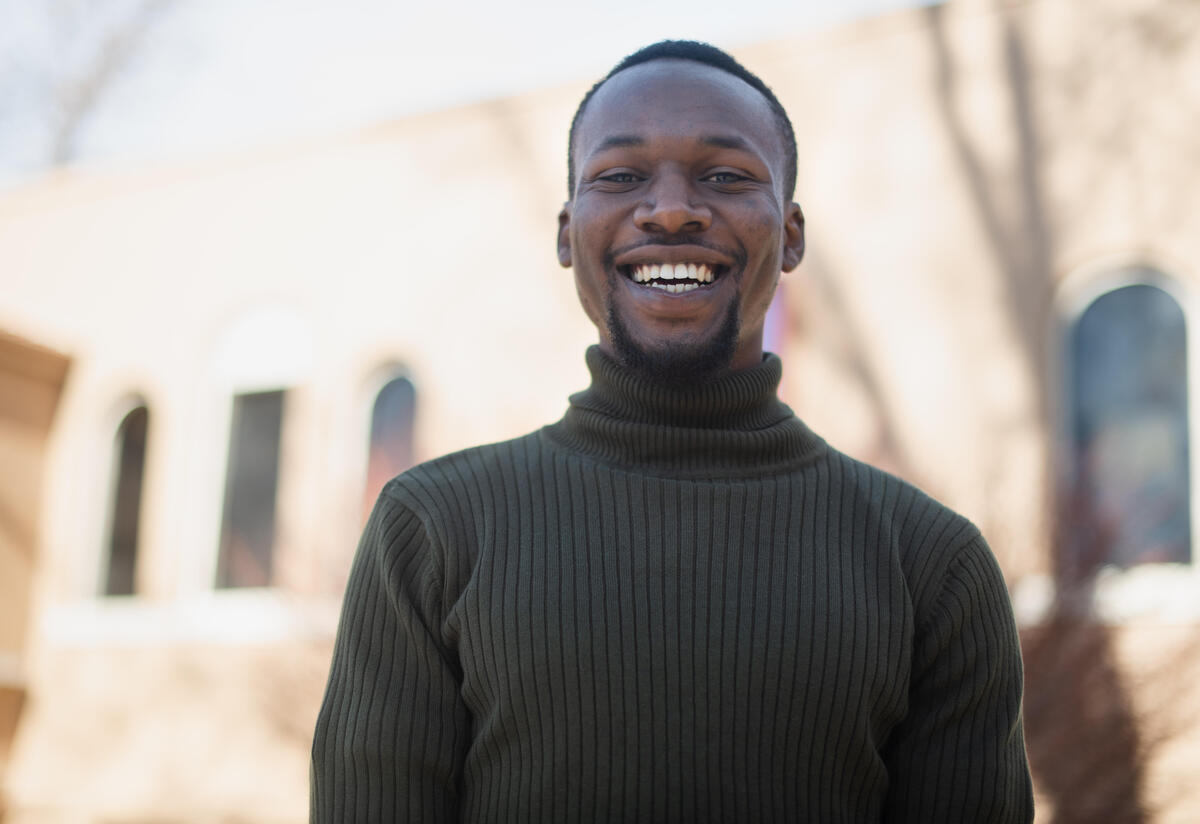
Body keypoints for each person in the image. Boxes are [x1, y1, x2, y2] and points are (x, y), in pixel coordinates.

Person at [311, 40, 1034, 823]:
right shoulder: (433, 531)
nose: (671, 209)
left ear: (791, 235)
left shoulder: (930, 566)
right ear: (566, 233)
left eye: (725, 176)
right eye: (620, 177)